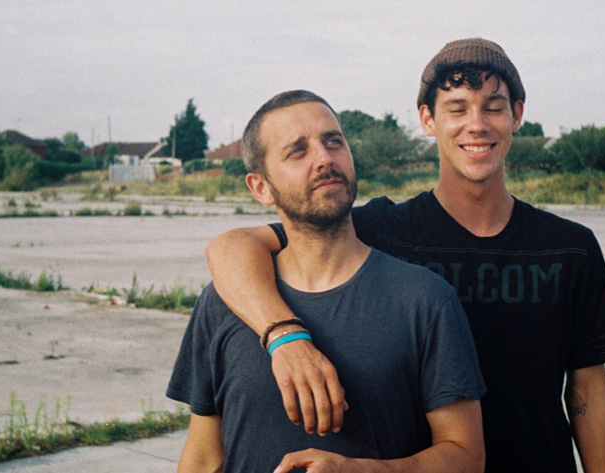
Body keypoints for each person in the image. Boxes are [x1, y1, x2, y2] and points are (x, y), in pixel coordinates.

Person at [205, 38, 605, 473]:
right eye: (458, 108)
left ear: (517, 114)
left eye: (494, 106)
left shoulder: (569, 248)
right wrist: (285, 338)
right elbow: (232, 247)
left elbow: (587, 391)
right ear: (428, 119)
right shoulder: (381, 231)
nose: (477, 124)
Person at [168, 90, 486, 473]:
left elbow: (466, 457)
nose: (324, 159)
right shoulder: (223, 301)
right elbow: (203, 457)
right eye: (297, 151)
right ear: (260, 188)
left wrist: (364, 471)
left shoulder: (424, 299)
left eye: (333, 142)